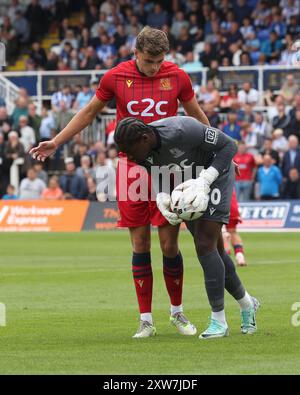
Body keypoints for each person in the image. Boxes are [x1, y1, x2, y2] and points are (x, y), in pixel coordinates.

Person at [30, 26, 211, 338]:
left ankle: (177, 313)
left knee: (169, 244)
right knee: (140, 242)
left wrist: (216, 148)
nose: (154, 67)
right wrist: (57, 142)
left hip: (169, 168)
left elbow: (196, 116)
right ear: (136, 53)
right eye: (149, 61)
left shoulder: (178, 76)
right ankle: (145, 319)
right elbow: (88, 112)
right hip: (131, 169)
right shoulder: (115, 77)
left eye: (159, 61)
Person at [114, 116, 260, 339]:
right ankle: (247, 304)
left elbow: (229, 145)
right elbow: (155, 170)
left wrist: (205, 179)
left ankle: (219, 322)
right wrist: (162, 196)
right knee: (216, 251)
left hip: (215, 176)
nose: (129, 157)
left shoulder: (183, 129)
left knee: (204, 244)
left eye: (131, 151)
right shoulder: (141, 152)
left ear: (144, 138)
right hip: (188, 188)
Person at [222, 189, 247, 266]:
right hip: (230, 200)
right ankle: (240, 256)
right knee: (232, 231)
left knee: (218, 233)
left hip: (216, 200)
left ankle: (226, 258)